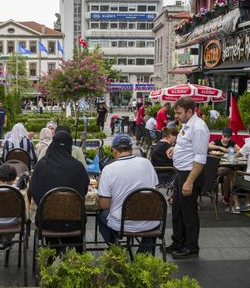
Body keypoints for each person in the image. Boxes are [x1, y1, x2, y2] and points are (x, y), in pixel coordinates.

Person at [97, 134, 159, 254]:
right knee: (152, 223)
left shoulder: (109, 169)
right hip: (150, 220)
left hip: (122, 223)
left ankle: (117, 250)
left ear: (114, 151)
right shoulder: (147, 163)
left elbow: (104, 205)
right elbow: (155, 193)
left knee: (102, 217)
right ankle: (143, 256)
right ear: (131, 149)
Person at [30, 131, 89, 251]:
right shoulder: (78, 167)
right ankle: (73, 256)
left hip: (46, 221)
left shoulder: (42, 166)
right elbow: (84, 191)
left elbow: (34, 191)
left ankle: (54, 252)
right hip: (75, 222)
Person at [166, 97, 209, 259]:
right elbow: (185, 145)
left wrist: (189, 181)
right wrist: (174, 149)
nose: (176, 116)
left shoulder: (198, 128)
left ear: (190, 112)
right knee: (177, 210)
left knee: (188, 212)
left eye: (179, 113)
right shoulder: (187, 124)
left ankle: (191, 247)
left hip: (190, 174)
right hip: (181, 172)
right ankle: (178, 242)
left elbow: (200, 158)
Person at [208, 127, 241, 207]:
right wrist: (219, 147)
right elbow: (209, 145)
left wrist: (231, 149)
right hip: (217, 167)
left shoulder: (231, 143)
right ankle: (232, 198)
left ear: (230, 137)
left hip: (228, 166)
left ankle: (227, 197)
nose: (226, 139)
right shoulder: (217, 141)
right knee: (230, 174)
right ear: (222, 135)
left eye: (228, 137)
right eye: (224, 136)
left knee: (229, 175)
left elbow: (240, 149)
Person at [233, 137, 250, 212]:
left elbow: (236, 155)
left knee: (233, 178)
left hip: (249, 180)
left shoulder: (248, 144)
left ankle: (236, 207)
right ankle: (247, 203)